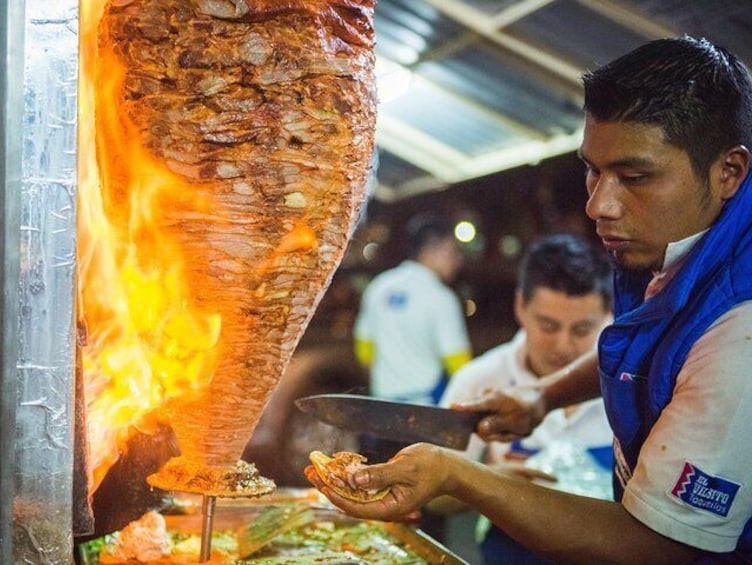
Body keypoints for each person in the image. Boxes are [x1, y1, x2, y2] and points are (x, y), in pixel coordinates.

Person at [306, 36, 752, 563]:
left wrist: (458, 473)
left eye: (634, 177)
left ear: (729, 172)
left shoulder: (738, 333)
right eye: (592, 169)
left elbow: (654, 544)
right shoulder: (675, 246)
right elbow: (658, 349)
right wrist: (543, 396)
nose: (598, 205)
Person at [438, 233, 614, 564]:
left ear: (609, 315)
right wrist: (486, 483)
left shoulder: (637, 380)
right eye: (548, 326)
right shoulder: (479, 380)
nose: (563, 346)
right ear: (521, 307)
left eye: (581, 330)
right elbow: (435, 498)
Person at [353, 213, 472, 407]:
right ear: (430, 252)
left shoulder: (380, 286)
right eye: (452, 252)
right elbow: (458, 364)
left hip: (381, 407)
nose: (458, 261)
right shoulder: (441, 297)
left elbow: (364, 349)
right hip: (425, 409)